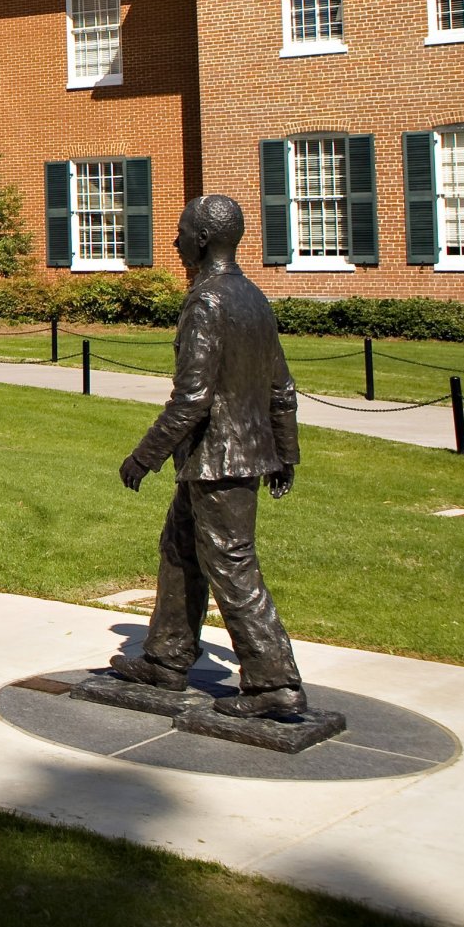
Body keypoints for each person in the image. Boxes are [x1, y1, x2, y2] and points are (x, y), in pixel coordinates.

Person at [112, 193, 310, 718]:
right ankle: (166, 657)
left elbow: (193, 399)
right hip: (227, 459)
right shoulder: (254, 298)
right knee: (179, 549)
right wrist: (284, 453)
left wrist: (144, 456)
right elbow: (281, 388)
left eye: (180, 231)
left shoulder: (207, 301)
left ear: (200, 241)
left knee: (231, 565)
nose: (174, 240)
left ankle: (273, 683)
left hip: (218, 460)